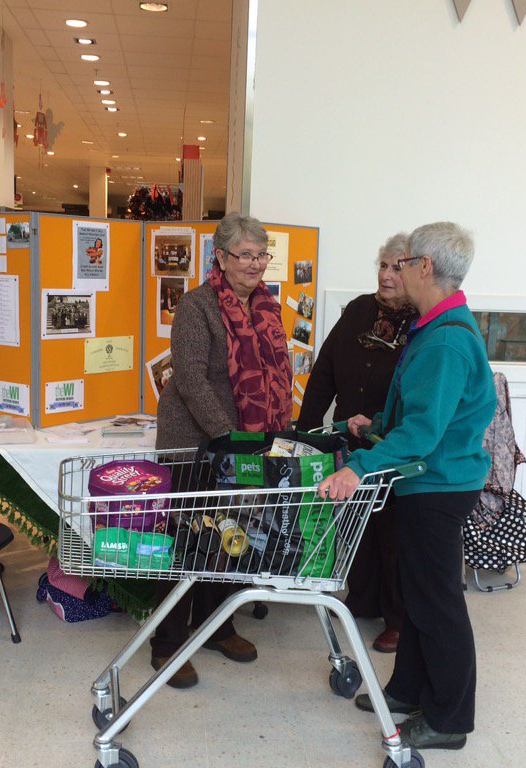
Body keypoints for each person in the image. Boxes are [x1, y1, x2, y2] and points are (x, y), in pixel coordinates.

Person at [317, 222, 495, 751]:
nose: (394, 271)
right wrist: (374, 425)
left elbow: (423, 433)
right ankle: (409, 689)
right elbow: (421, 416)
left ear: (426, 268)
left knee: (438, 602)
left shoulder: (444, 341)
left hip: (436, 488)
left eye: (403, 262)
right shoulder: (434, 327)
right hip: (428, 481)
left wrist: (359, 466)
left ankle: (448, 718)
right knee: (419, 595)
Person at [152, 211, 293, 688]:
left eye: (261, 254)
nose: (255, 264)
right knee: (188, 540)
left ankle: (216, 626)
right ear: (221, 257)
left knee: (232, 536)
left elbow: (277, 379)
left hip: (246, 444)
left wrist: (260, 442)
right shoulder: (197, 305)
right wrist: (229, 439)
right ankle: (167, 645)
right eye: (245, 254)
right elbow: (190, 378)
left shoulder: (268, 308)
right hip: (194, 441)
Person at [297, 233, 418, 654]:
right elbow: (326, 368)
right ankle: (363, 600)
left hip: (392, 442)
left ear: (417, 271)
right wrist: (307, 429)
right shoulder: (359, 310)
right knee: (356, 523)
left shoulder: (421, 321)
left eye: (396, 267)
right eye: (382, 266)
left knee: (392, 531)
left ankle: (398, 619)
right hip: (347, 436)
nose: (386, 275)